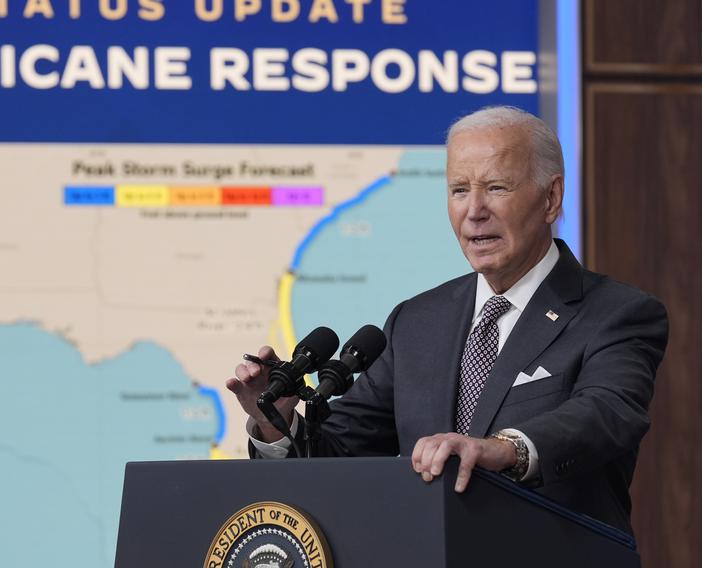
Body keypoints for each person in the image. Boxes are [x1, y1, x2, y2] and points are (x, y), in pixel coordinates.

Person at [225, 106, 668, 534]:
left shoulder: (616, 313)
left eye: (496, 188)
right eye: (459, 190)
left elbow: (606, 413)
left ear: (551, 198)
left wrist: (504, 448)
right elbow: (341, 452)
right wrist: (275, 421)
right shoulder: (417, 321)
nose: (473, 210)